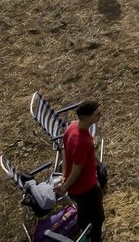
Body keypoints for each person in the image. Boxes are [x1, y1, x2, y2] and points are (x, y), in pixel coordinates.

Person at [56, 102, 104, 242]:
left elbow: (64, 151)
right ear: (86, 117)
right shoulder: (82, 141)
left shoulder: (71, 127)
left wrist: (64, 176)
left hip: (75, 189)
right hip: (85, 188)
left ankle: (83, 227)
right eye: (97, 114)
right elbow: (77, 171)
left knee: (83, 210)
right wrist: (64, 186)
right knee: (98, 219)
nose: (100, 115)